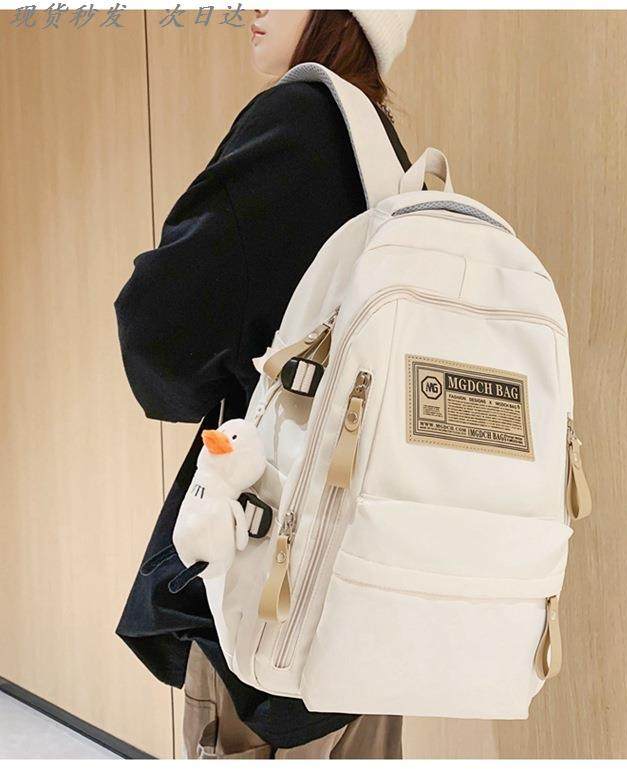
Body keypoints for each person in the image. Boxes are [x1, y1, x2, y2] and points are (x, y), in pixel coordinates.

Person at [114, 9, 416, 760]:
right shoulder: (382, 152)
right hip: (369, 611)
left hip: (271, 609)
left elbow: (159, 332)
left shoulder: (298, 124)